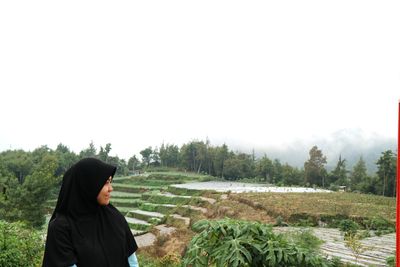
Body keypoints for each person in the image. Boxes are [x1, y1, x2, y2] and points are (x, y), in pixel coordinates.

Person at [42, 158, 139, 267]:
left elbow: (132, 260)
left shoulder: (114, 217)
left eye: (110, 182)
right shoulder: (61, 227)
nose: (110, 188)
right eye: (105, 183)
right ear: (88, 185)